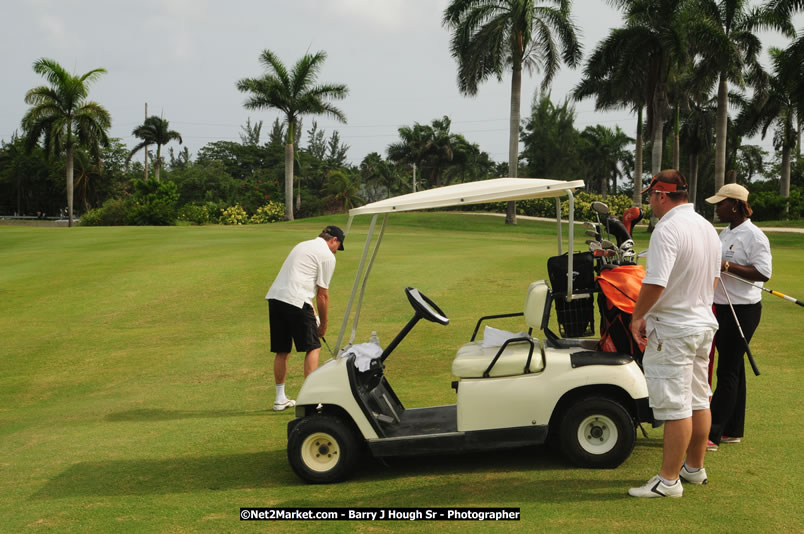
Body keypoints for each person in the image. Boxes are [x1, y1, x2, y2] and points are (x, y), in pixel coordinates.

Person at [628, 170, 721, 498]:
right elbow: (713, 280)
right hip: (701, 324)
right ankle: (694, 468)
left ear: (661, 195)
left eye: (650, 196)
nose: (650, 202)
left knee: (676, 406)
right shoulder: (707, 227)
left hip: (674, 328)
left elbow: (656, 282)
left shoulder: (667, 229)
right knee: (699, 398)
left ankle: (668, 481)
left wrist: (638, 316)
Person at [705, 184, 771, 450]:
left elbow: (763, 272)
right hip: (722, 306)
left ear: (734, 205)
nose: (716, 208)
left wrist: (727, 265)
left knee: (728, 369)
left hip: (742, 310)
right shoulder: (726, 232)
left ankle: (713, 433)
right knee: (735, 367)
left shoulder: (754, 236)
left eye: (720, 204)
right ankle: (733, 429)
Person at [266, 225, 345, 411]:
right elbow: (322, 295)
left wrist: (313, 314)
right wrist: (323, 324)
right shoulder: (327, 256)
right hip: (296, 300)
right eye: (338, 246)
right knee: (313, 347)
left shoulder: (302, 245)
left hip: (276, 298)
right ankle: (312, 398)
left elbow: (300, 280)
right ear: (333, 240)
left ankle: (280, 399)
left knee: (282, 350)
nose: (337, 251)